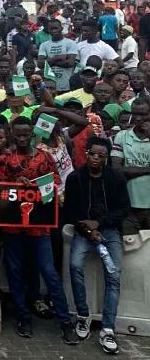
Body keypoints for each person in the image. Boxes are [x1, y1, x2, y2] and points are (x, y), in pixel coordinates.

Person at [0, 117, 77, 344]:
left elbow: (54, 188)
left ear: (32, 133)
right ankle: (23, 318)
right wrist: (15, 185)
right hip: (12, 227)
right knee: (15, 272)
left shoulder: (44, 157)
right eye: (17, 134)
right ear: (12, 133)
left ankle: (65, 322)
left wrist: (38, 185)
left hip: (39, 227)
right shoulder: (4, 159)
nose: (22, 137)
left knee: (49, 273)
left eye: (25, 133)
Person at [64, 136, 129, 354]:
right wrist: (88, 229)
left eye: (101, 155)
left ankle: (108, 328)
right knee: (74, 266)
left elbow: (123, 210)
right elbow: (70, 211)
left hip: (109, 230)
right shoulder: (75, 178)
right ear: (87, 153)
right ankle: (83, 316)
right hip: (83, 230)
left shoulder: (116, 178)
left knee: (114, 274)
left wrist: (99, 224)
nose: (96, 158)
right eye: (93, 154)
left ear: (106, 158)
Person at [111, 97, 150, 234]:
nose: (138, 118)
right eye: (135, 114)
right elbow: (117, 170)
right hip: (130, 207)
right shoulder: (122, 136)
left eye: (143, 114)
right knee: (130, 249)